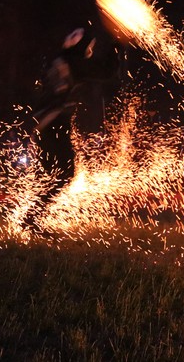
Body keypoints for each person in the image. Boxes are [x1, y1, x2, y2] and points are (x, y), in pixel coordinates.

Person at [22, 26, 120, 231]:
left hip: (43, 123)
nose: (90, 51)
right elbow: (107, 71)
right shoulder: (74, 63)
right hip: (54, 122)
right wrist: (118, 41)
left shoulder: (59, 60)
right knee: (65, 173)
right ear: (81, 45)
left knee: (53, 174)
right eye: (89, 46)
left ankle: (32, 218)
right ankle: (31, 219)